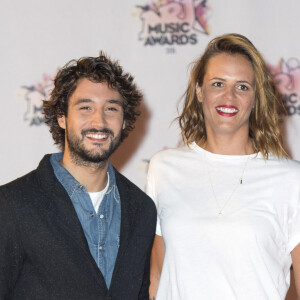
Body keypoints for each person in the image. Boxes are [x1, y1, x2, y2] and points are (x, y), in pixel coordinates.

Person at [147, 33, 300, 300]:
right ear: (199, 91)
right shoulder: (164, 168)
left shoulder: (291, 178)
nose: (229, 96)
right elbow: (157, 275)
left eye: (242, 87)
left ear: (255, 98)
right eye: (218, 83)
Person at [0, 53, 156, 299]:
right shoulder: (11, 204)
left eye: (111, 108)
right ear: (62, 117)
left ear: (124, 121)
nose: (99, 121)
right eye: (85, 107)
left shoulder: (142, 210)